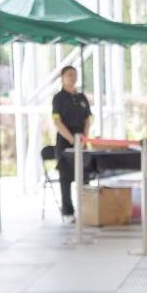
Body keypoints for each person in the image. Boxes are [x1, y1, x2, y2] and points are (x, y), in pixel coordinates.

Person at [51, 63, 93, 220]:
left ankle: (88, 209)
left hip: (82, 139)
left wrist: (84, 138)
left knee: (85, 174)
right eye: (69, 75)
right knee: (66, 177)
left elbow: (88, 119)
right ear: (62, 78)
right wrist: (72, 140)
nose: (72, 78)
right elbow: (57, 121)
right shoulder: (58, 98)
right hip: (65, 140)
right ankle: (68, 211)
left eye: (74, 75)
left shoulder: (81, 98)